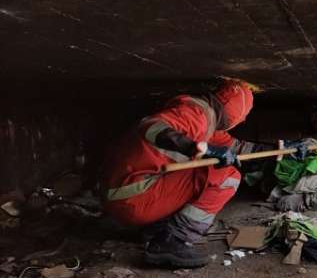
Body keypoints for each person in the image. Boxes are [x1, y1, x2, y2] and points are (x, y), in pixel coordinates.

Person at [103, 78, 265, 268]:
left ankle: (157, 228)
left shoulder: (208, 119)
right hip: (132, 198)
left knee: (208, 169)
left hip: (125, 192)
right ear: (236, 115)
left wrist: (285, 148)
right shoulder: (197, 115)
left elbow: (238, 148)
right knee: (227, 176)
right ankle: (173, 241)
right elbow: (153, 127)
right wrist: (192, 147)